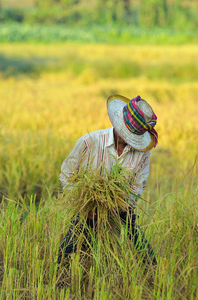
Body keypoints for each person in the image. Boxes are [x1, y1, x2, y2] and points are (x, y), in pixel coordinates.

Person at [57, 94, 158, 265]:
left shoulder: (142, 153)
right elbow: (67, 172)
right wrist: (81, 203)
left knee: (141, 248)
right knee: (68, 250)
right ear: (118, 125)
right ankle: (60, 273)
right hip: (88, 208)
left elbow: (138, 185)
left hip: (121, 208)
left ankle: (153, 273)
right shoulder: (90, 142)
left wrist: (122, 206)